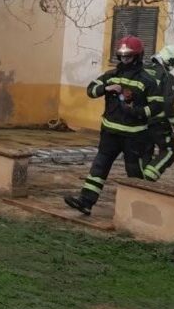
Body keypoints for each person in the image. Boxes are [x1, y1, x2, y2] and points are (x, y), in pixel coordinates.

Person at [64, 36, 163, 215]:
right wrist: (106, 89)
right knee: (99, 167)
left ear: (138, 56)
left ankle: (141, 212)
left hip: (134, 137)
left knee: (134, 173)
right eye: (122, 56)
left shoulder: (147, 80)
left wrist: (136, 111)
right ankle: (85, 202)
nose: (125, 59)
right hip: (109, 133)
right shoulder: (111, 75)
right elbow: (91, 90)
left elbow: (156, 107)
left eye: (129, 56)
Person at [142, 44, 174, 181]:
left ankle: (139, 180)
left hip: (139, 121)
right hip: (157, 123)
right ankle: (148, 178)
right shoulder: (167, 77)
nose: (173, 67)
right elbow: (169, 104)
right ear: (169, 60)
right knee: (169, 151)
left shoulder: (142, 71)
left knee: (145, 151)